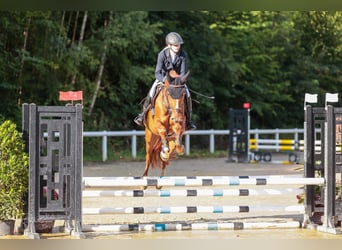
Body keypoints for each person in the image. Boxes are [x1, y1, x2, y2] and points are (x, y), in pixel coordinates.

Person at [134, 32, 196, 130]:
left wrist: (180, 81)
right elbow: (157, 72)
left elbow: (183, 72)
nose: (177, 47)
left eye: (179, 45)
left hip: (177, 82)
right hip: (163, 78)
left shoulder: (183, 54)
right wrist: (164, 80)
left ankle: (188, 120)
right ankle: (142, 116)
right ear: (169, 45)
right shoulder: (162, 54)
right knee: (151, 92)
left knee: (187, 94)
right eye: (175, 45)